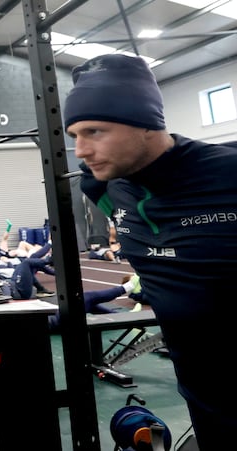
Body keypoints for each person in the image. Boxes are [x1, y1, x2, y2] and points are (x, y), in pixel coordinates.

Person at [64, 53, 237, 450]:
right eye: (74, 135)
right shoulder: (108, 188)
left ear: (145, 123)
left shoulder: (228, 174)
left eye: (94, 131)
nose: (80, 150)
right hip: (204, 402)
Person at [47, 274, 142, 330]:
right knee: (85, 298)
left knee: (86, 303)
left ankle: (123, 317)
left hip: (55, 320)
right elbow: (36, 261)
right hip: (59, 321)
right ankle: (128, 286)